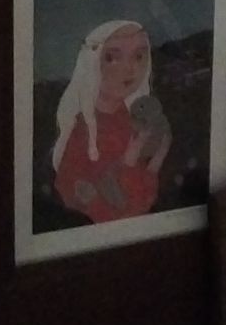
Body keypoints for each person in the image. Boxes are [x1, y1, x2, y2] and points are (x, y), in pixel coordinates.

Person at [52, 19, 168, 224]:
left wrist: (154, 161)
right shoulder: (82, 130)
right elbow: (79, 198)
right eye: (112, 58)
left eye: (139, 56)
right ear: (92, 63)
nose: (130, 68)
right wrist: (127, 163)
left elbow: (144, 198)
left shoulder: (138, 121)